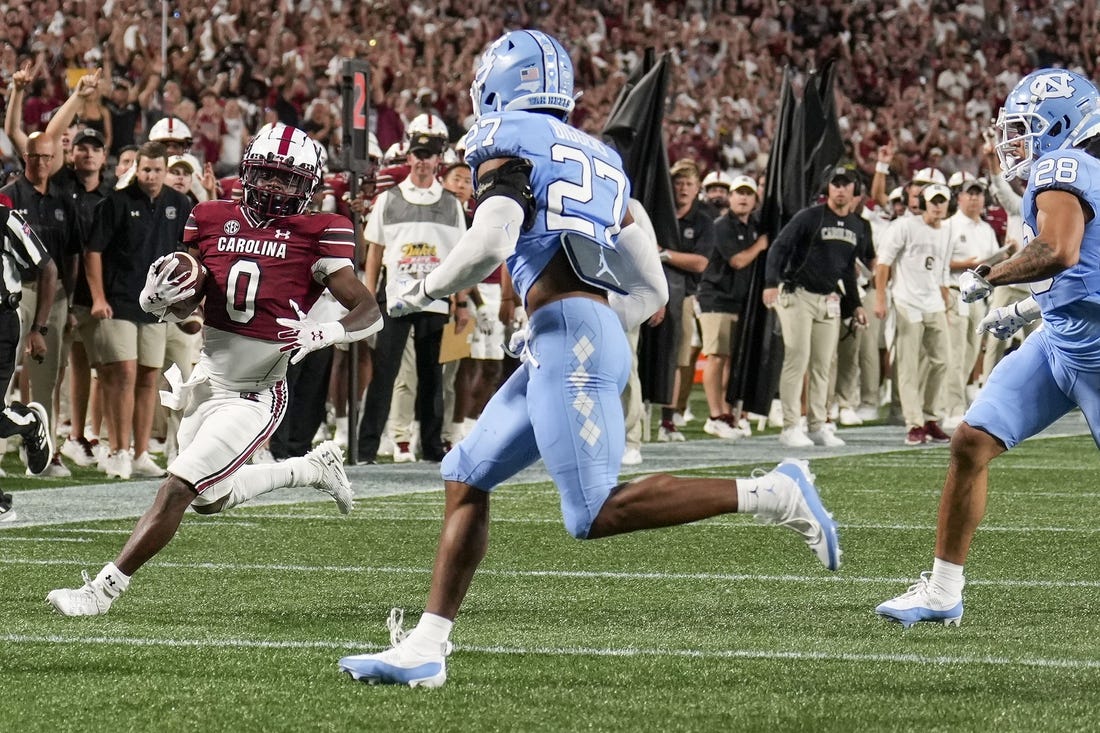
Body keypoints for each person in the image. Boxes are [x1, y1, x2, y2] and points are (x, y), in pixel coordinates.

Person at [337, 29, 841, 688]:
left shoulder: (505, 140)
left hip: (569, 335)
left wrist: (423, 290)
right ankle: (428, 645)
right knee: (464, 471)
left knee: (593, 510)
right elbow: (653, 288)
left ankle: (774, 492)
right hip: (571, 333)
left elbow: (491, 240)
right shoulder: (599, 155)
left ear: (499, 82)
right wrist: (589, 326)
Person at [46, 122, 383, 616]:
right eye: (267, 175)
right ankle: (310, 468)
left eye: (287, 180)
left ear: (307, 185)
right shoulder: (208, 216)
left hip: (255, 393)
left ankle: (101, 591)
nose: (274, 187)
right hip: (207, 380)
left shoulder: (321, 231)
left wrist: (324, 332)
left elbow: (368, 308)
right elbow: (191, 313)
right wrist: (161, 301)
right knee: (209, 498)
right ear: (247, 172)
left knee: (178, 486)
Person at [875, 69, 1100, 628]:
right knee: (971, 441)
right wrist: (1026, 308)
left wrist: (990, 273)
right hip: (1059, 343)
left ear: (1061, 124)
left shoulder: (1063, 166)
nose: (1014, 144)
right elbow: (1084, 271)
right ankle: (942, 590)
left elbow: (1059, 250)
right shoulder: (1079, 173)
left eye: (1024, 129)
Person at [356, 113, 468, 463]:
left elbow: (462, 258)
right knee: (384, 375)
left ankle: (433, 448)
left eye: (429, 155)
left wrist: (461, 302)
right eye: (418, 155)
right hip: (395, 299)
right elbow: (375, 251)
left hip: (435, 300)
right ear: (409, 158)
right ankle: (366, 448)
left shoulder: (451, 204)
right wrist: (368, 297)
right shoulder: (389, 199)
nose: (422, 161)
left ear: (438, 160)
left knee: (432, 377)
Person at [84, 141, 194, 479]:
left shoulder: (180, 203)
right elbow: (93, 252)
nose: (151, 175)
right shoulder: (116, 202)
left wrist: (186, 302)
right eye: (146, 169)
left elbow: (188, 252)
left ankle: (142, 452)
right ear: (137, 169)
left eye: (157, 170)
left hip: (156, 306)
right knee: (124, 374)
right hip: (119, 300)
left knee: (149, 376)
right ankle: (118, 449)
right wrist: (98, 297)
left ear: (164, 169)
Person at [764, 164, 871, 448]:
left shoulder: (857, 226)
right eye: (835, 183)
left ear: (854, 190)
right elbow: (779, 247)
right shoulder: (809, 217)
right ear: (828, 188)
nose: (839, 188)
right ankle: (789, 426)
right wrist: (770, 284)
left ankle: (816, 424)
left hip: (828, 299)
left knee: (823, 364)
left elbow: (848, 269)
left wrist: (856, 304)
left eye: (845, 184)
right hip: (797, 294)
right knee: (797, 358)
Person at [873, 182, 953, 446]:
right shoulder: (905, 226)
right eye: (934, 201)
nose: (938, 206)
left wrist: (944, 295)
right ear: (924, 203)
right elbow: (883, 263)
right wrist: (881, 298)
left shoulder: (947, 231)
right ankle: (914, 423)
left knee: (943, 360)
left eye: (942, 201)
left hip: (933, 302)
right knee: (908, 364)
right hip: (907, 301)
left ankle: (931, 417)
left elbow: (941, 269)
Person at [0, 202, 58, 520]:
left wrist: (39, 328)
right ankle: (28, 422)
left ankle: (30, 423)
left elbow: (47, 267)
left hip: (2, 320)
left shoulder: (5, 218)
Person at [696, 174, 765, 439]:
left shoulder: (754, 226)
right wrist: (760, 245)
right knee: (716, 356)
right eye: (739, 193)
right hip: (717, 297)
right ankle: (715, 416)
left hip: (741, 300)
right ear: (731, 197)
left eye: (748, 193)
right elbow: (737, 261)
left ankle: (730, 413)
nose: (744, 198)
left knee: (733, 361)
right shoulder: (722, 225)